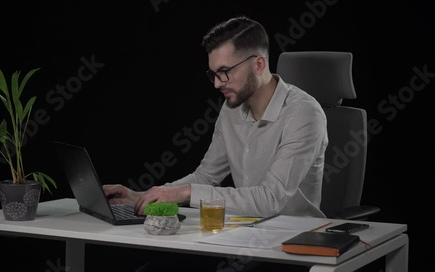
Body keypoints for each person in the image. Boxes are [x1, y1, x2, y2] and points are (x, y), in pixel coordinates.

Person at [103, 15, 328, 271]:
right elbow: (206, 176)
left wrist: (185, 193)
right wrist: (145, 197)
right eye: (214, 73)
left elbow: (270, 200)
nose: (218, 83)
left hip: (293, 245)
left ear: (259, 64)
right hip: (242, 235)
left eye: (225, 72)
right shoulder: (232, 108)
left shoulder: (304, 114)